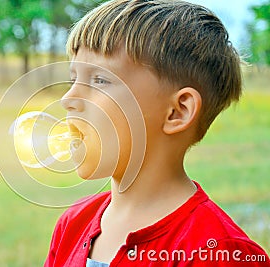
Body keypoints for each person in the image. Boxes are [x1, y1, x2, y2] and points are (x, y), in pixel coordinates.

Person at [44, 0, 270, 266]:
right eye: (74, 79)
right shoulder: (73, 223)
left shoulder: (220, 253)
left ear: (177, 111)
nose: (68, 99)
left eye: (100, 80)